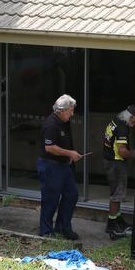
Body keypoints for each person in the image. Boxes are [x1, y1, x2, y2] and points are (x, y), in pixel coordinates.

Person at [38, 94, 84, 240]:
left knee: (72, 194)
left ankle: (63, 227)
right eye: (71, 110)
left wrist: (69, 157)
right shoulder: (51, 124)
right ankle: (46, 231)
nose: (72, 113)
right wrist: (69, 153)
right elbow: (50, 148)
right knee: (51, 198)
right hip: (50, 165)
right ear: (62, 110)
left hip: (64, 166)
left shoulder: (64, 122)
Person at [103, 104, 135, 235]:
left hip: (108, 160)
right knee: (117, 195)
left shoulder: (116, 121)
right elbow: (122, 151)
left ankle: (118, 219)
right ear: (131, 116)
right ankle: (112, 225)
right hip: (116, 164)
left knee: (116, 193)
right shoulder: (123, 128)